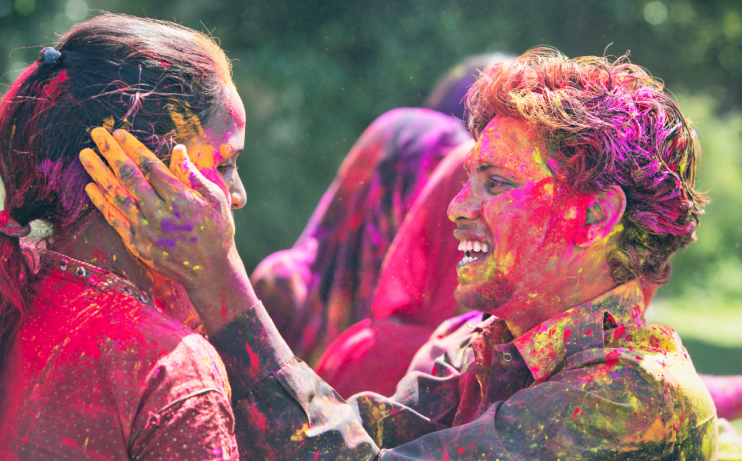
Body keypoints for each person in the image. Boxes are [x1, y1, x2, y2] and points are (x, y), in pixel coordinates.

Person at [92, 47, 718, 459]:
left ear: (597, 216)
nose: (457, 208)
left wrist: (219, 281)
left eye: (496, 183)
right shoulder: (469, 344)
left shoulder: (634, 396)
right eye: (469, 179)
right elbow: (340, 438)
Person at [0, 14, 249, 459]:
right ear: (140, 168)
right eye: (225, 164)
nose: (237, 195)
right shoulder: (170, 370)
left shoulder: (2, 299)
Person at [250, 108, 471, 364]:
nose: (448, 209)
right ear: (385, 188)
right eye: (434, 189)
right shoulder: (284, 287)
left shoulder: (433, 317)